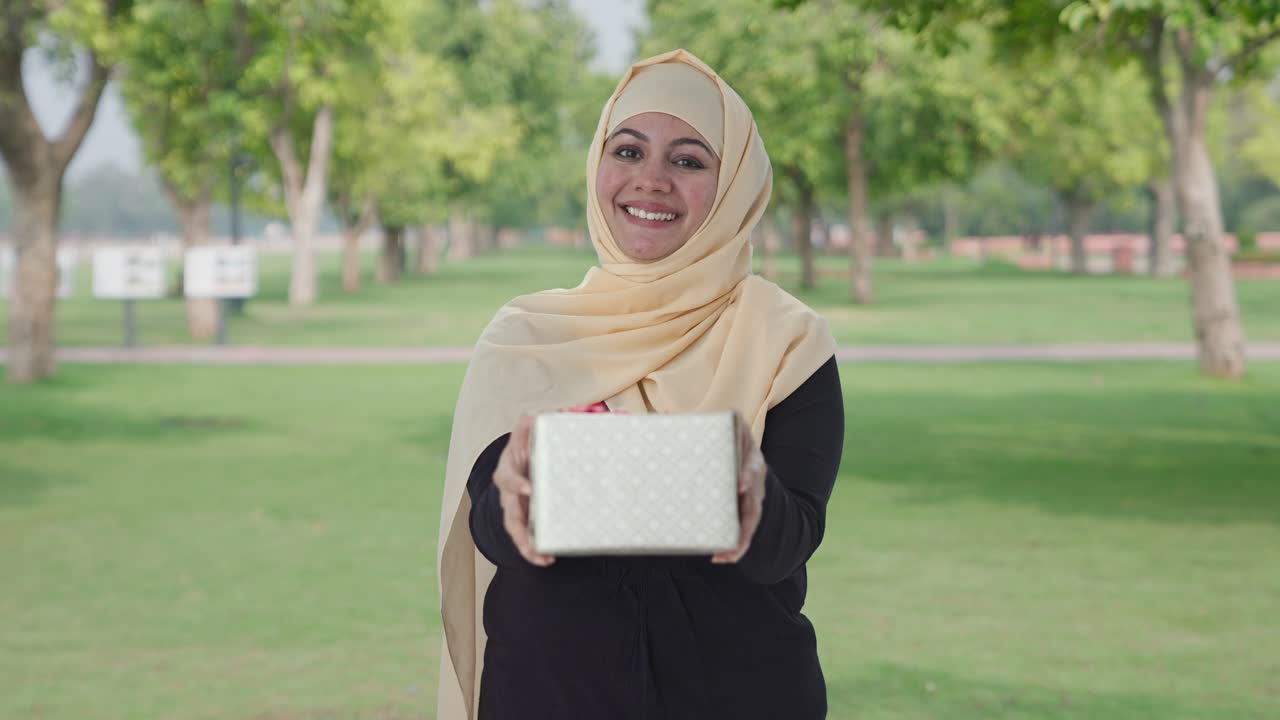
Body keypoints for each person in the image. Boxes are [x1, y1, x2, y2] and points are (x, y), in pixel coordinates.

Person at [435, 49, 844, 720]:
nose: (650, 181)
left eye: (688, 161)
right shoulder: (528, 337)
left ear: (736, 182)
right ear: (598, 164)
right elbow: (496, 535)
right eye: (627, 151)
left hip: (741, 697)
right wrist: (513, 487)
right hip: (551, 698)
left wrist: (749, 491)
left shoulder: (785, 340)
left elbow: (788, 544)